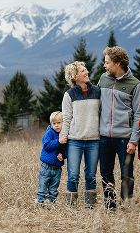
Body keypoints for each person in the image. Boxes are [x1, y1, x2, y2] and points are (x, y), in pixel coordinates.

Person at [97, 46, 140, 210]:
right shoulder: (103, 79)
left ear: (117, 63)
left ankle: (127, 205)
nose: (105, 65)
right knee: (105, 172)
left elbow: (139, 114)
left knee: (127, 174)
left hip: (125, 138)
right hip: (103, 137)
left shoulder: (135, 84)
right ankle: (110, 206)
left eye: (107, 62)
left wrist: (134, 140)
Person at [59, 61, 101, 208]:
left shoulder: (97, 91)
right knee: (73, 175)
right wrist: (62, 137)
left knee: (91, 175)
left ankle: (90, 207)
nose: (87, 72)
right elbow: (66, 118)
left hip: (94, 140)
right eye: (83, 71)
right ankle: (71, 207)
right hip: (74, 141)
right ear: (75, 76)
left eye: (86, 70)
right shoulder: (69, 95)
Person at [36, 111, 67, 204]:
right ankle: (40, 202)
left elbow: (66, 149)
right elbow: (46, 145)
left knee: (54, 188)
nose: (56, 125)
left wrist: (63, 155)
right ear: (51, 124)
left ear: (63, 123)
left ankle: (50, 203)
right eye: (54, 123)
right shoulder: (49, 132)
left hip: (57, 169)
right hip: (46, 167)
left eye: (59, 123)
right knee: (43, 186)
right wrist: (58, 142)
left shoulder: (64, 135)